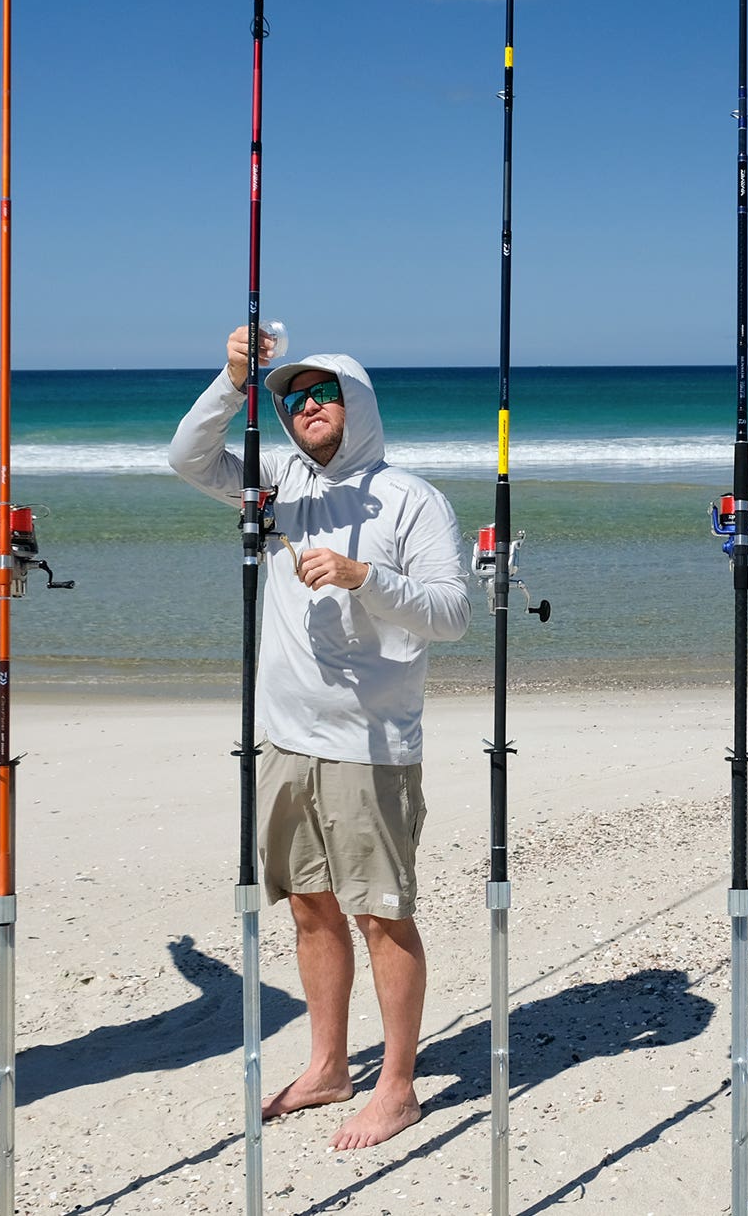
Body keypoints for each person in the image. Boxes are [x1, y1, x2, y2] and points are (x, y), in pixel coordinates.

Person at [169, 324, 469, 1149]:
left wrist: (365, 578)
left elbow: (453, 614)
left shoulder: (412, 498)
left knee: (382, 914)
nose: (306, 408)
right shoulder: (275, 481)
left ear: (356, 406)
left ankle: (399, 1086)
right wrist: (233, 380)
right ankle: (329, 1065)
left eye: (322, 394)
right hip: (284, 735)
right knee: (308, 907)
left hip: (371, 743)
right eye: (293, 398)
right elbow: (188, 459)